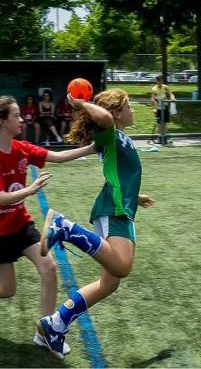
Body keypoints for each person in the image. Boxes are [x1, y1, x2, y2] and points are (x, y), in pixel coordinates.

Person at [36, 89, 155, 360]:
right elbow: (103, 118)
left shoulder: (118, 138)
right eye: (128, 106)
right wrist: (80, 103)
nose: (133, 110)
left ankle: (55, 325)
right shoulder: (109, 131)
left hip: (121, 207)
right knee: (122, 267)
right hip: (113, 209)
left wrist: (135, 196)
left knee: (109, 283)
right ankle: (65, 227)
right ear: (115, 113)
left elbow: (116, 171)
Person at [0, 95, 95, 356]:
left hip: (20, 225)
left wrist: (91, 148)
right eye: (16, 116)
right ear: (2, 121)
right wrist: (29, 190)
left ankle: (46, 331)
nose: (21, 120)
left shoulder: (21, 148)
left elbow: (57, 157)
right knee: (6, 291)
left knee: (49, 267)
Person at [150, 75, 175, 144]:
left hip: (165, 107)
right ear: (157, 81)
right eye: (159, 81)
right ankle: (160, 138)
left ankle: (165, 138)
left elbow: (171, 94)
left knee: (165, 123)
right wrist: (154, 108)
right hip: (159, 108)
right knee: (159, 124)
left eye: (162, 80)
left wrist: (172, 98)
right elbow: (153, 99)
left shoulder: (165, 87)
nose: (160, 82)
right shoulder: (154, 89)